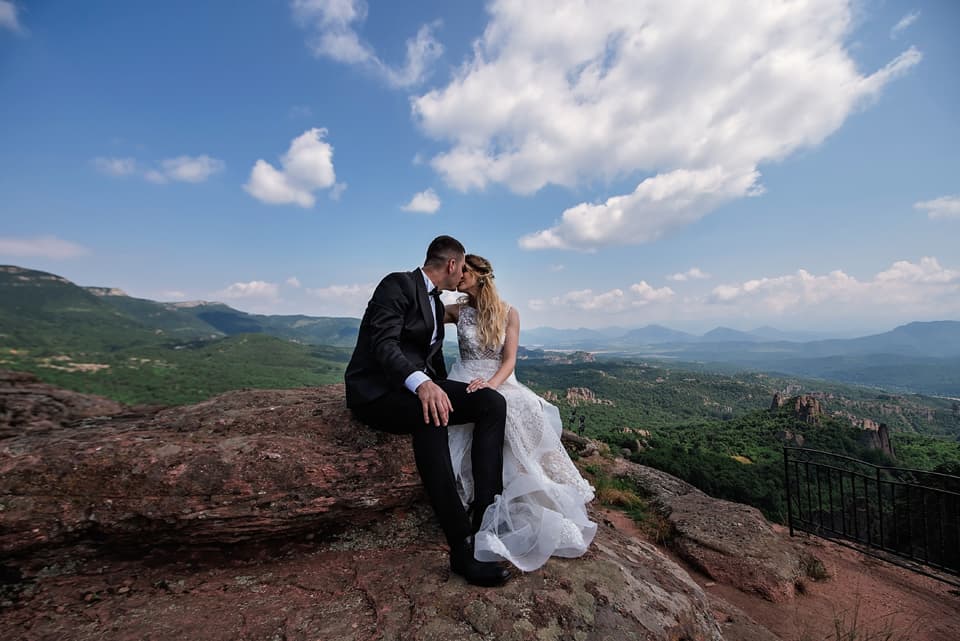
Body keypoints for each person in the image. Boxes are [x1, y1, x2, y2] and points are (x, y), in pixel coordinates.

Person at [344, 236, 511, 587]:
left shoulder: (437, 306)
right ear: (452, 265)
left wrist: (439, 384)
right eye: (462, 267)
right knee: (432, 414)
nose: (463, 274)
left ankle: (486, 514)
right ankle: (461, 547)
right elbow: (384, 344)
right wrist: (422, 384)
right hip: (377, 392)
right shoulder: (397, 285)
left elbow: (429, 359)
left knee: (492, 403)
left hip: (417, 385)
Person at [444, 254, 596, 572]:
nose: (458, 276)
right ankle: (473, 502)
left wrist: (491, 386)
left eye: (464, 272)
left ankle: (510, 502)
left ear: (481, 276)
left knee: (518, 410)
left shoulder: (508, 313)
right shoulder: (456, 311)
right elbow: (422, 316)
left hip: (497, 380)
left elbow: (510, 360)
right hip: (462, 378)